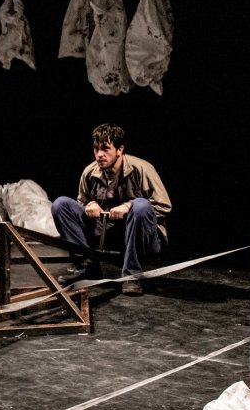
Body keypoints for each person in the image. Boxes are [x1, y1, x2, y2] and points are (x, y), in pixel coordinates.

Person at [50, 123, 171, 295]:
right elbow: (81, 202)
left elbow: (163, 205)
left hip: (141, 237)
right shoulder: (90, 172)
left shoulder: (141, 169)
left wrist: (129, 206)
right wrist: (89, 205)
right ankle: (88, 267)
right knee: (60, 205)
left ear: (120, 149)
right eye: (96, 149)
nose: (99, 154)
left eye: (105, 149)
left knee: (141, 206)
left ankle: (132, 276)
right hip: (106, 234)